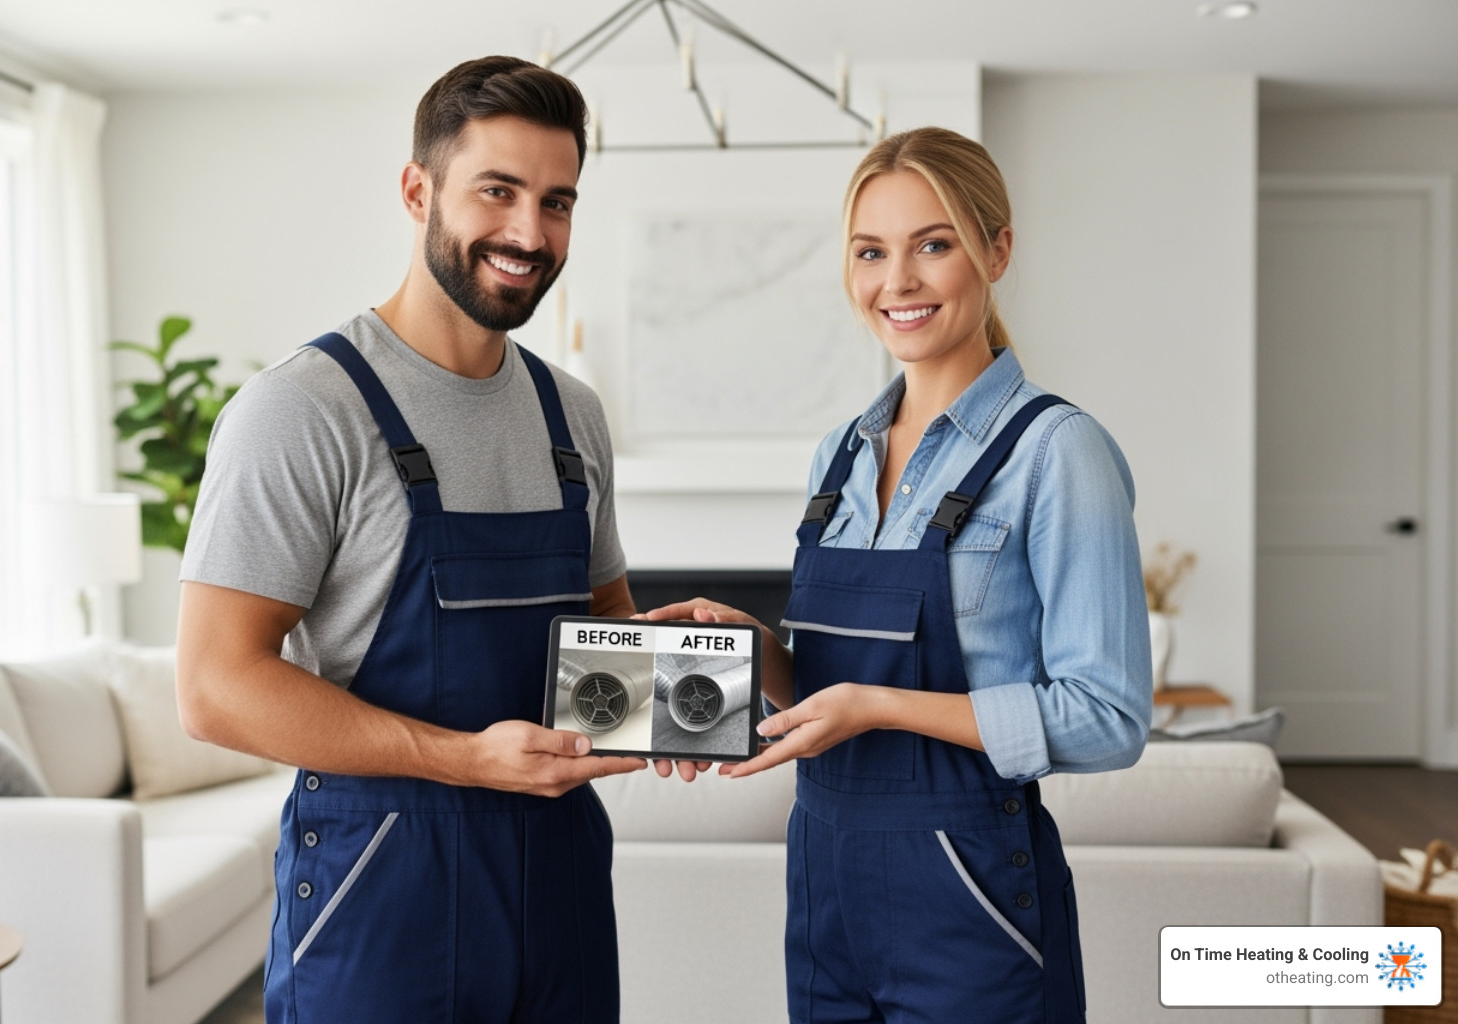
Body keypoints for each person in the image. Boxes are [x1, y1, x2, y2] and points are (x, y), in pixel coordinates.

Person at [174, 56, 646, 1024]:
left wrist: (668, 676)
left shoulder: (575, 415)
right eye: (497, 191)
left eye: (557, 202)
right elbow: (214, 688)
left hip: (556, 882)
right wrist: (467, 759)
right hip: (381, 889)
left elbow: (603, 623)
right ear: (417, 190)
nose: (529, 232)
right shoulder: (303, 409)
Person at [646, 127, 1152, 1023]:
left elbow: (1108, 718)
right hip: (825, 889)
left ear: (996, 250)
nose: (898, 282)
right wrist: (754, 649)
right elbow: (828, 688)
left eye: (934, 244)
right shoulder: (838, 456)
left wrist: (879, 708)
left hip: (971, 899)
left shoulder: (1057, 453)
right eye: (871, 252)